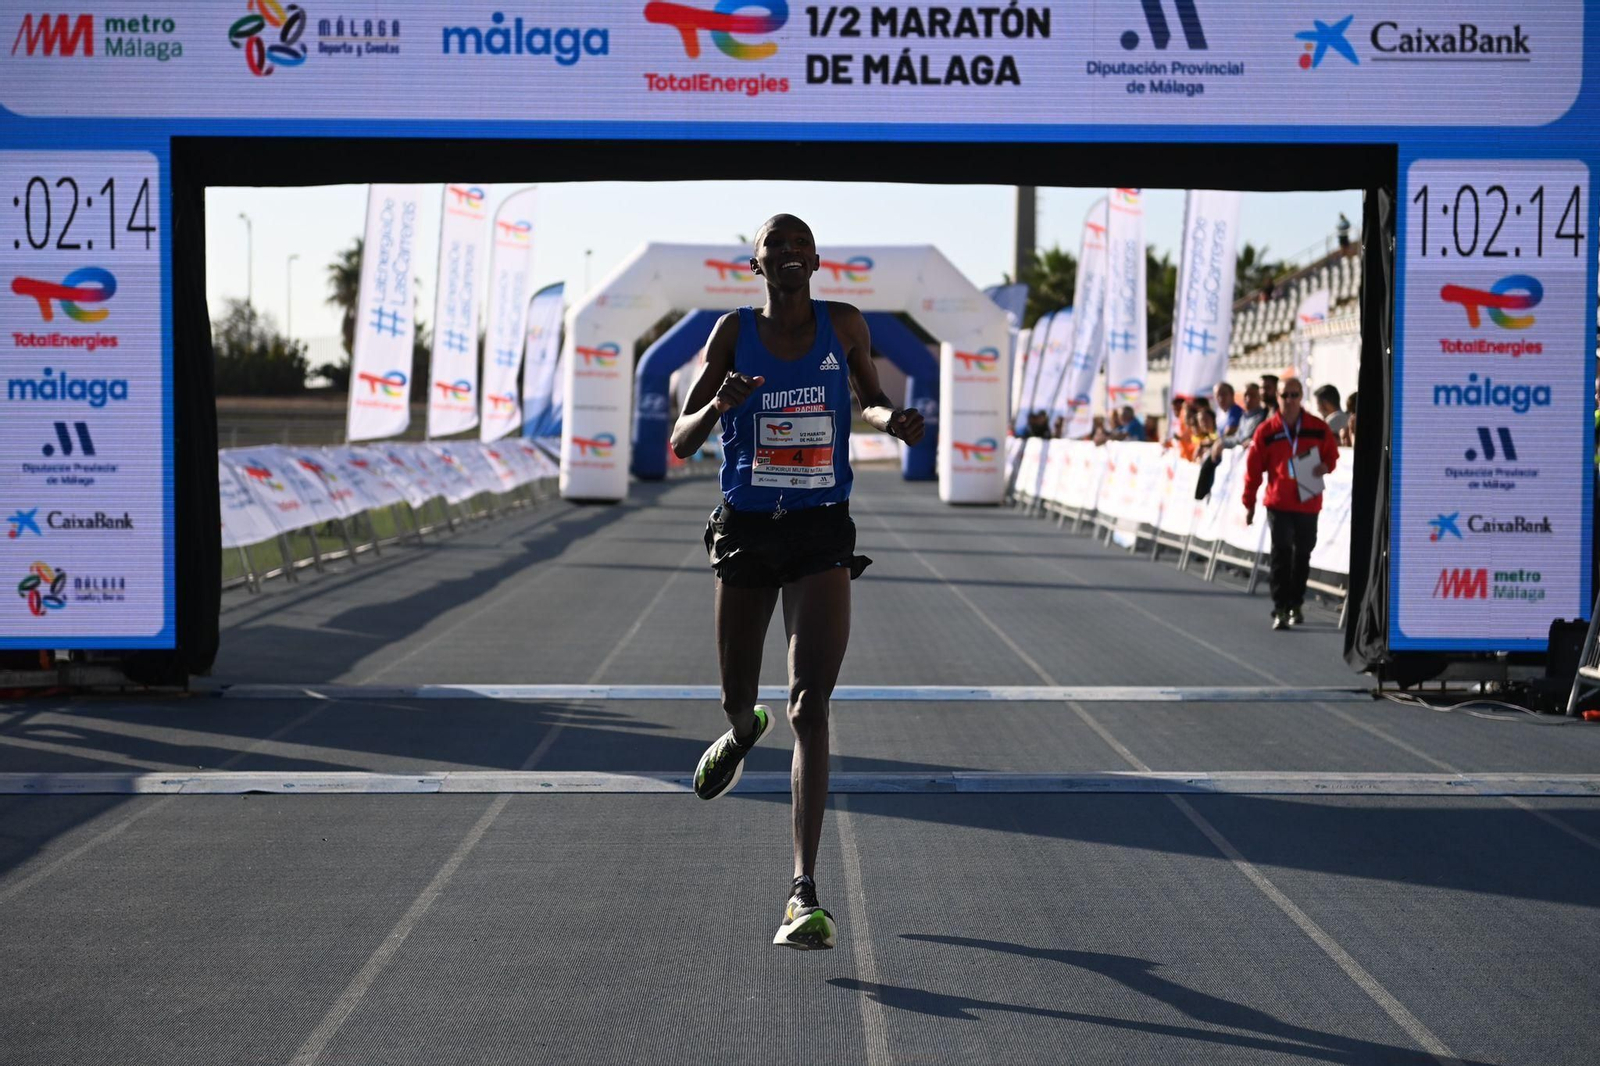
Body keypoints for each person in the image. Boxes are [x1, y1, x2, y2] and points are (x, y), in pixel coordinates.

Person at [670, 213, 925, 950]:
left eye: (796, 244)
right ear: (755, 265)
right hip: (748, 527)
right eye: (771, 245)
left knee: (810, 704)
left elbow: (867, 398)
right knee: (741, 696)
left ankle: (802, 893)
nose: (785, 253)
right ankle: (742, 728)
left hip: (820, 525)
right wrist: (722, 405)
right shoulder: (730, 334)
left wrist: (891, 421)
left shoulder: (843, 323)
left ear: (816, 260)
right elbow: (683, 439)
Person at [1242, 379, 1339, 630]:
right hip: (1279, 502)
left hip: (1308, 501)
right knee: (1281, 554)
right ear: (1278, 397)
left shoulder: (1318, 428)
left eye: (1295, 395)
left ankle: (1296, 603)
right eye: (1285, 395)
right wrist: (1249, 503)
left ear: (1301, 396)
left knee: (1303, 554)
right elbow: (1253, 471)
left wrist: (1326, 466)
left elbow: (1332, 455)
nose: (1290, 400)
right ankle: (1281, 608)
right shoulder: (1266, 431)